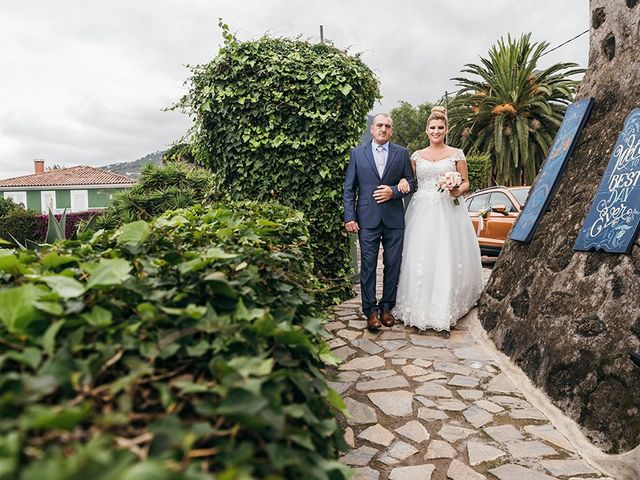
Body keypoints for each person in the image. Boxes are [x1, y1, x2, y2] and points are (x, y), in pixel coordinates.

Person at [392, 106, 483, 332]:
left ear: (446, 129)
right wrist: (401, 184)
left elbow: (466, 182)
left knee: (445, 254)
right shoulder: (416, 156)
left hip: (447, 211)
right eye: (432, 127)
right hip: (421, 210)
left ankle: (443, 307)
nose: (436, 131)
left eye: (440, 127)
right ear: (426, 130)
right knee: (419, 255)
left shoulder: (456, 154)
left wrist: (457, 189)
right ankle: (416, 306)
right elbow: (409, 181)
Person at [343, 113, 415, 331]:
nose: (384, 129)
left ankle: (386, 307)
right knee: (368, 265)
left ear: (392, 130)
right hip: (367, 218)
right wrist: (349, 217)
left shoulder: (402, 153)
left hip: (393, 219)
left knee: (393, 264)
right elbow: (349, 188)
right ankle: (370, 311)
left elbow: (411, 183)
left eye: (388, 126)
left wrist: (393, 191)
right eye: (380, 125)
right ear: (372, 129)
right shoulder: (357, 154)